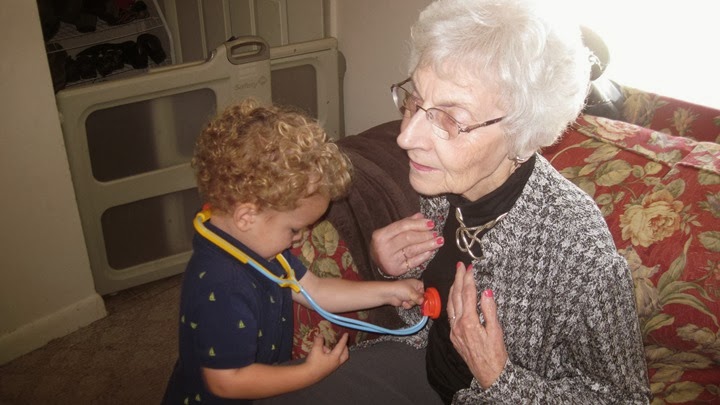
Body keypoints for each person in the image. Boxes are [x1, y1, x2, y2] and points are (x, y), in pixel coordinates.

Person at [259, 0, 651, 404]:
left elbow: (626, 399)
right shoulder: (446, 188)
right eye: (416, 102)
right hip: (421, 368)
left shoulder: (581, 255)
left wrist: (499, 378)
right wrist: (394, 270)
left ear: (523, 131)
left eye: (451, 119)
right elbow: (426, 315)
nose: (406, 137)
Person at [161, 99, 426, 404]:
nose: (300, 239)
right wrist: (308, 373)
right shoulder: (222, 284)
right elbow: (226, 381)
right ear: (246, 216)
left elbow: (317, 290)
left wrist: (388, 292)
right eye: (294, 229)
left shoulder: (255, 245)